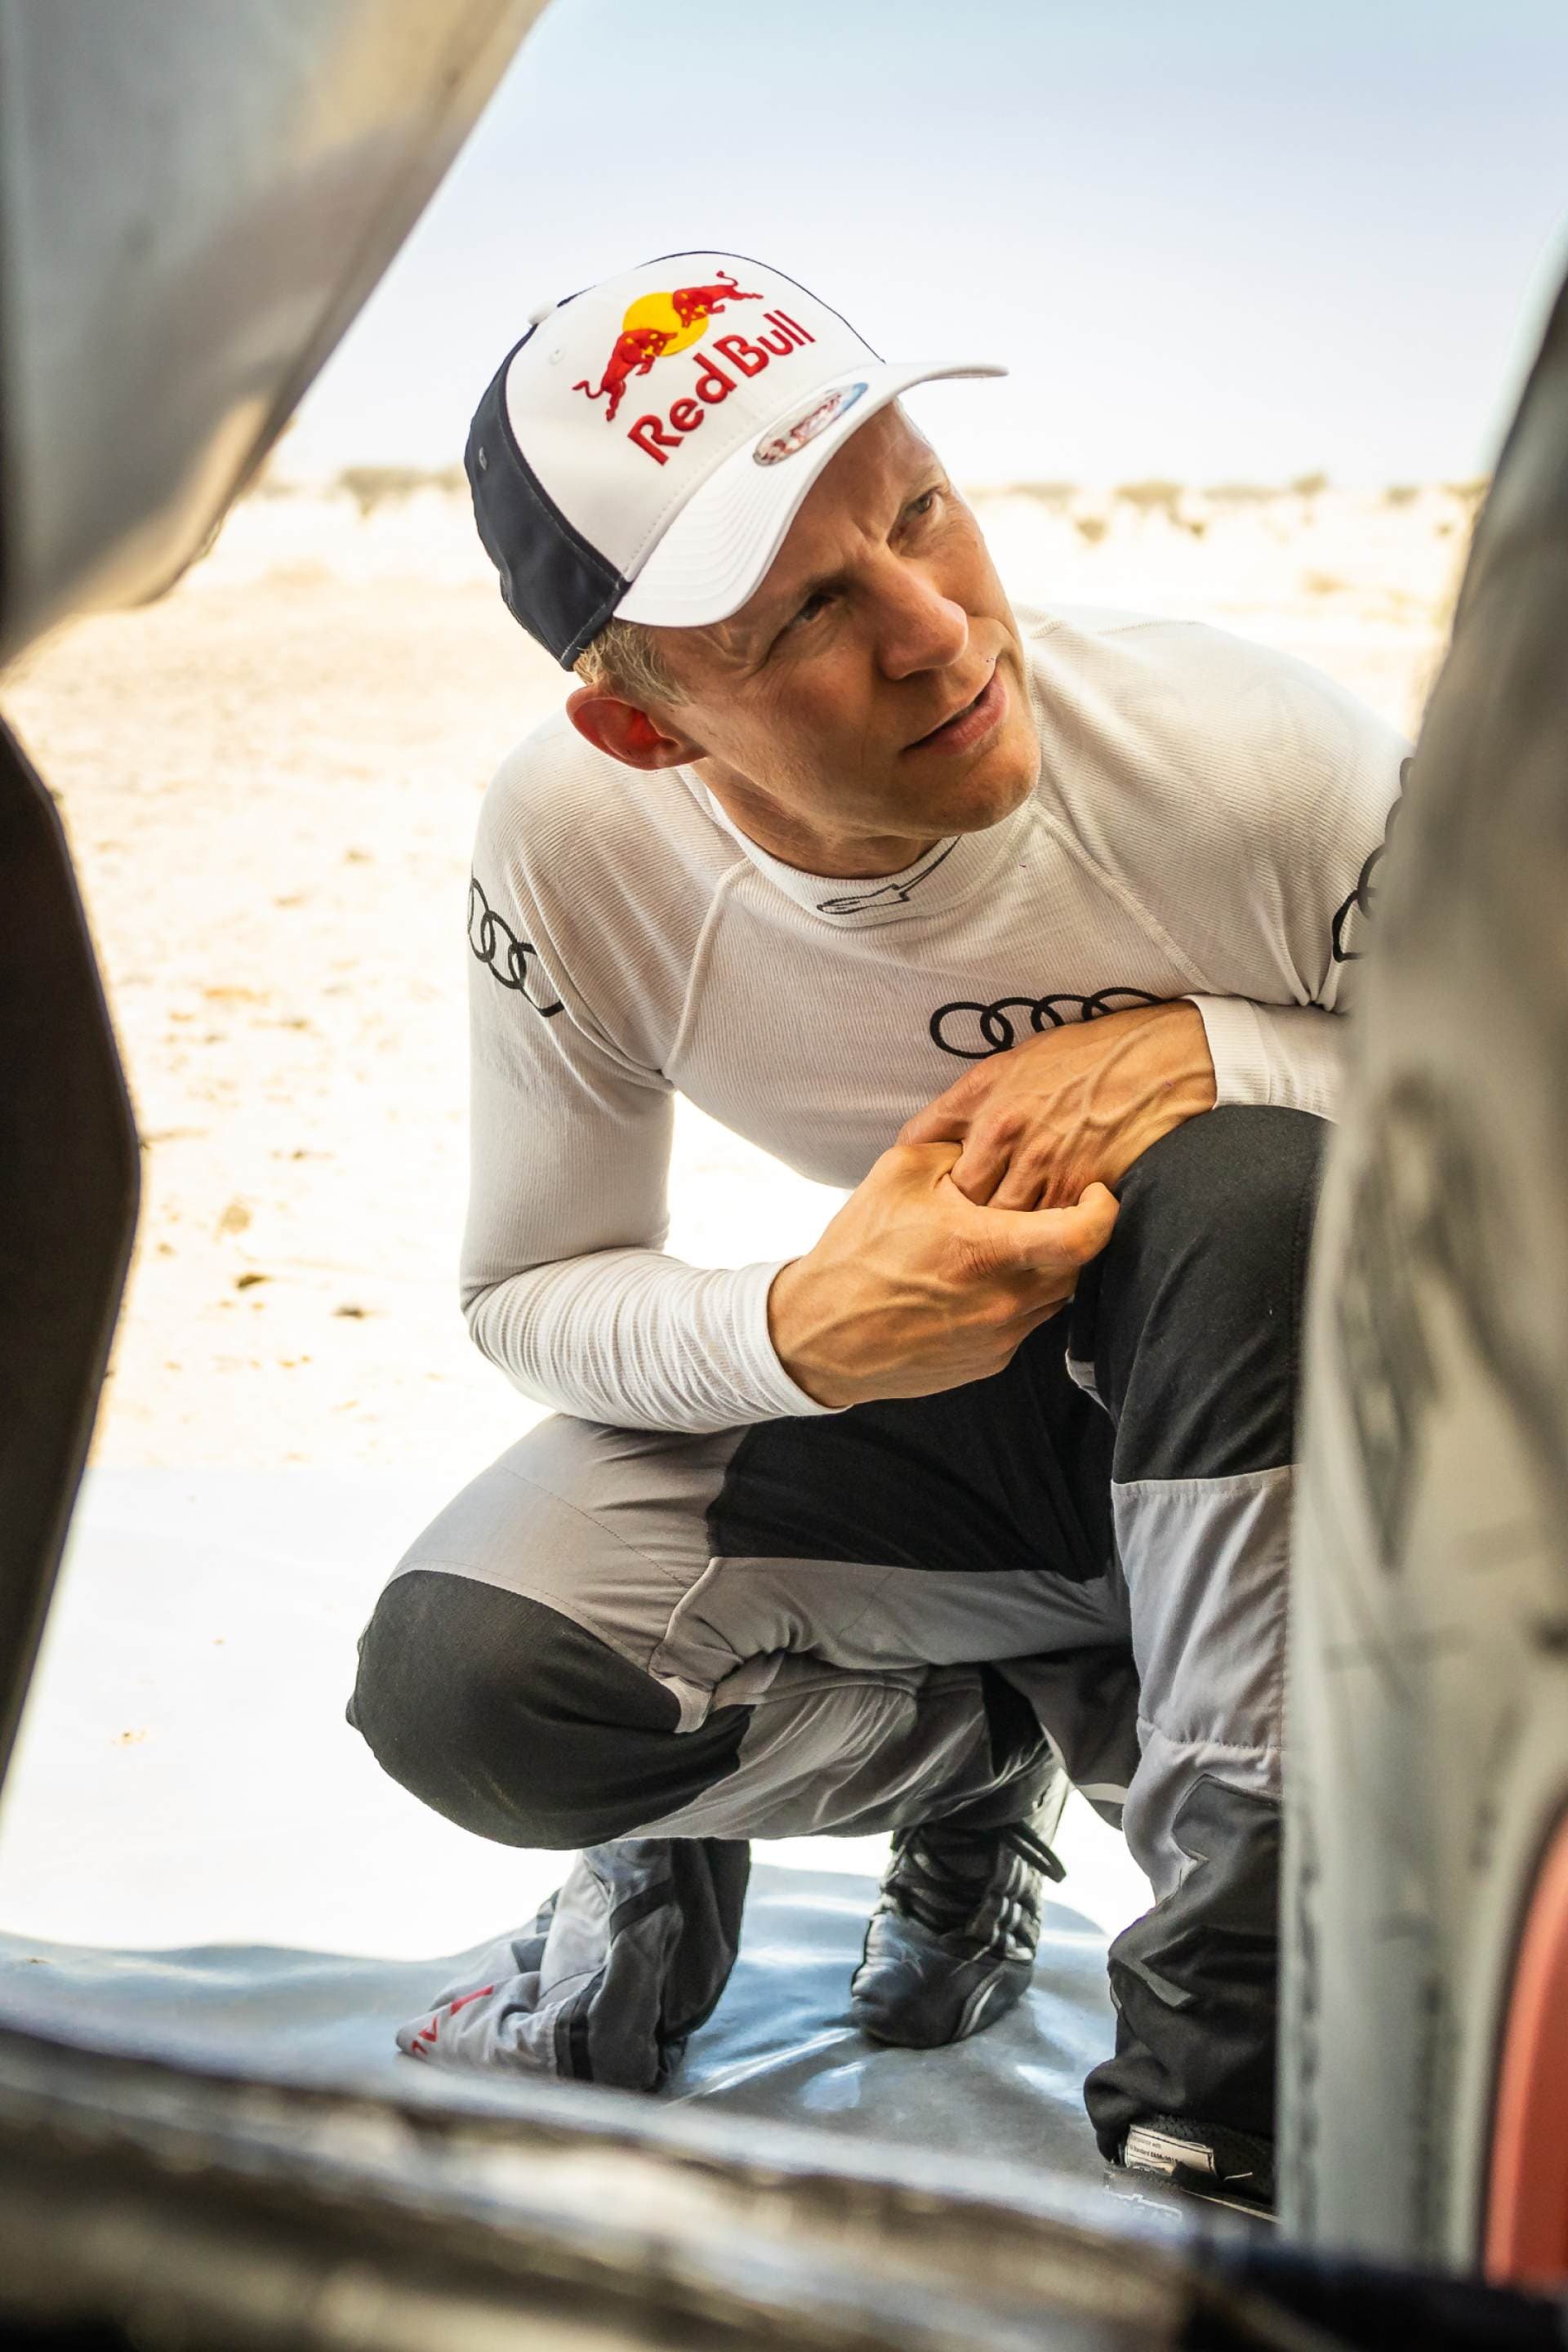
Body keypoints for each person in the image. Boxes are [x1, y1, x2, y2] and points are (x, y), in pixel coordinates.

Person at [348, 252, 1403, 2207]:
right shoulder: (582, 844)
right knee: (470, 1687)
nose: (937, 629)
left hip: (1367, 1462)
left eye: (916, 503)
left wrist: (1222, 1048)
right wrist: (803, 1329)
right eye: (810, 608)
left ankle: (1230, 2096)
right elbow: (528, 1289)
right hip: (1009, 1431)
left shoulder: (1251, 759)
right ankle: (986, 1761)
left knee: (1250, 1190)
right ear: (648, 730)